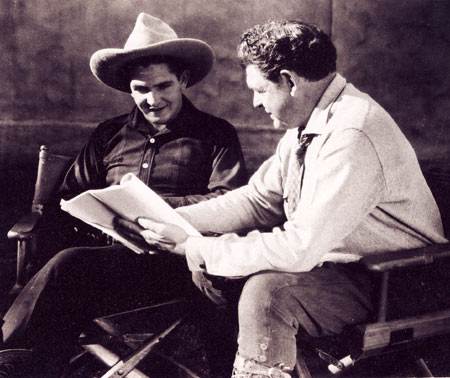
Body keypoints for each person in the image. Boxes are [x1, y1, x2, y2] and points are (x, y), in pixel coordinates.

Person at [130, 20, 449, 377]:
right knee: (217, 270)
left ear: (290, 81)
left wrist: (194, 246)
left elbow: (299, 247)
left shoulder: (352, 133)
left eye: (261, 91)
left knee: (268, 294)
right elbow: (257, 200)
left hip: (403, 281)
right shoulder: (312, 121)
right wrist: (178, 221)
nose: (254, 102)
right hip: (353, 270)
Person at [0, 13, 247, 377]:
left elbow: (230, 199)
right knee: (67, 279)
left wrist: (157, 213)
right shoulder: (108, 134)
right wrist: (110, 218)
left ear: (183, 80)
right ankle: (29, 365)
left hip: (175, 266)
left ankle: (11, 359)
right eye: (141, 89)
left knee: (69, 269)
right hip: (108, 264)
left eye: (163, 86)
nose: (153, 99)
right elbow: (70, 197)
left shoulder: (215, 134)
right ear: (128, 89)